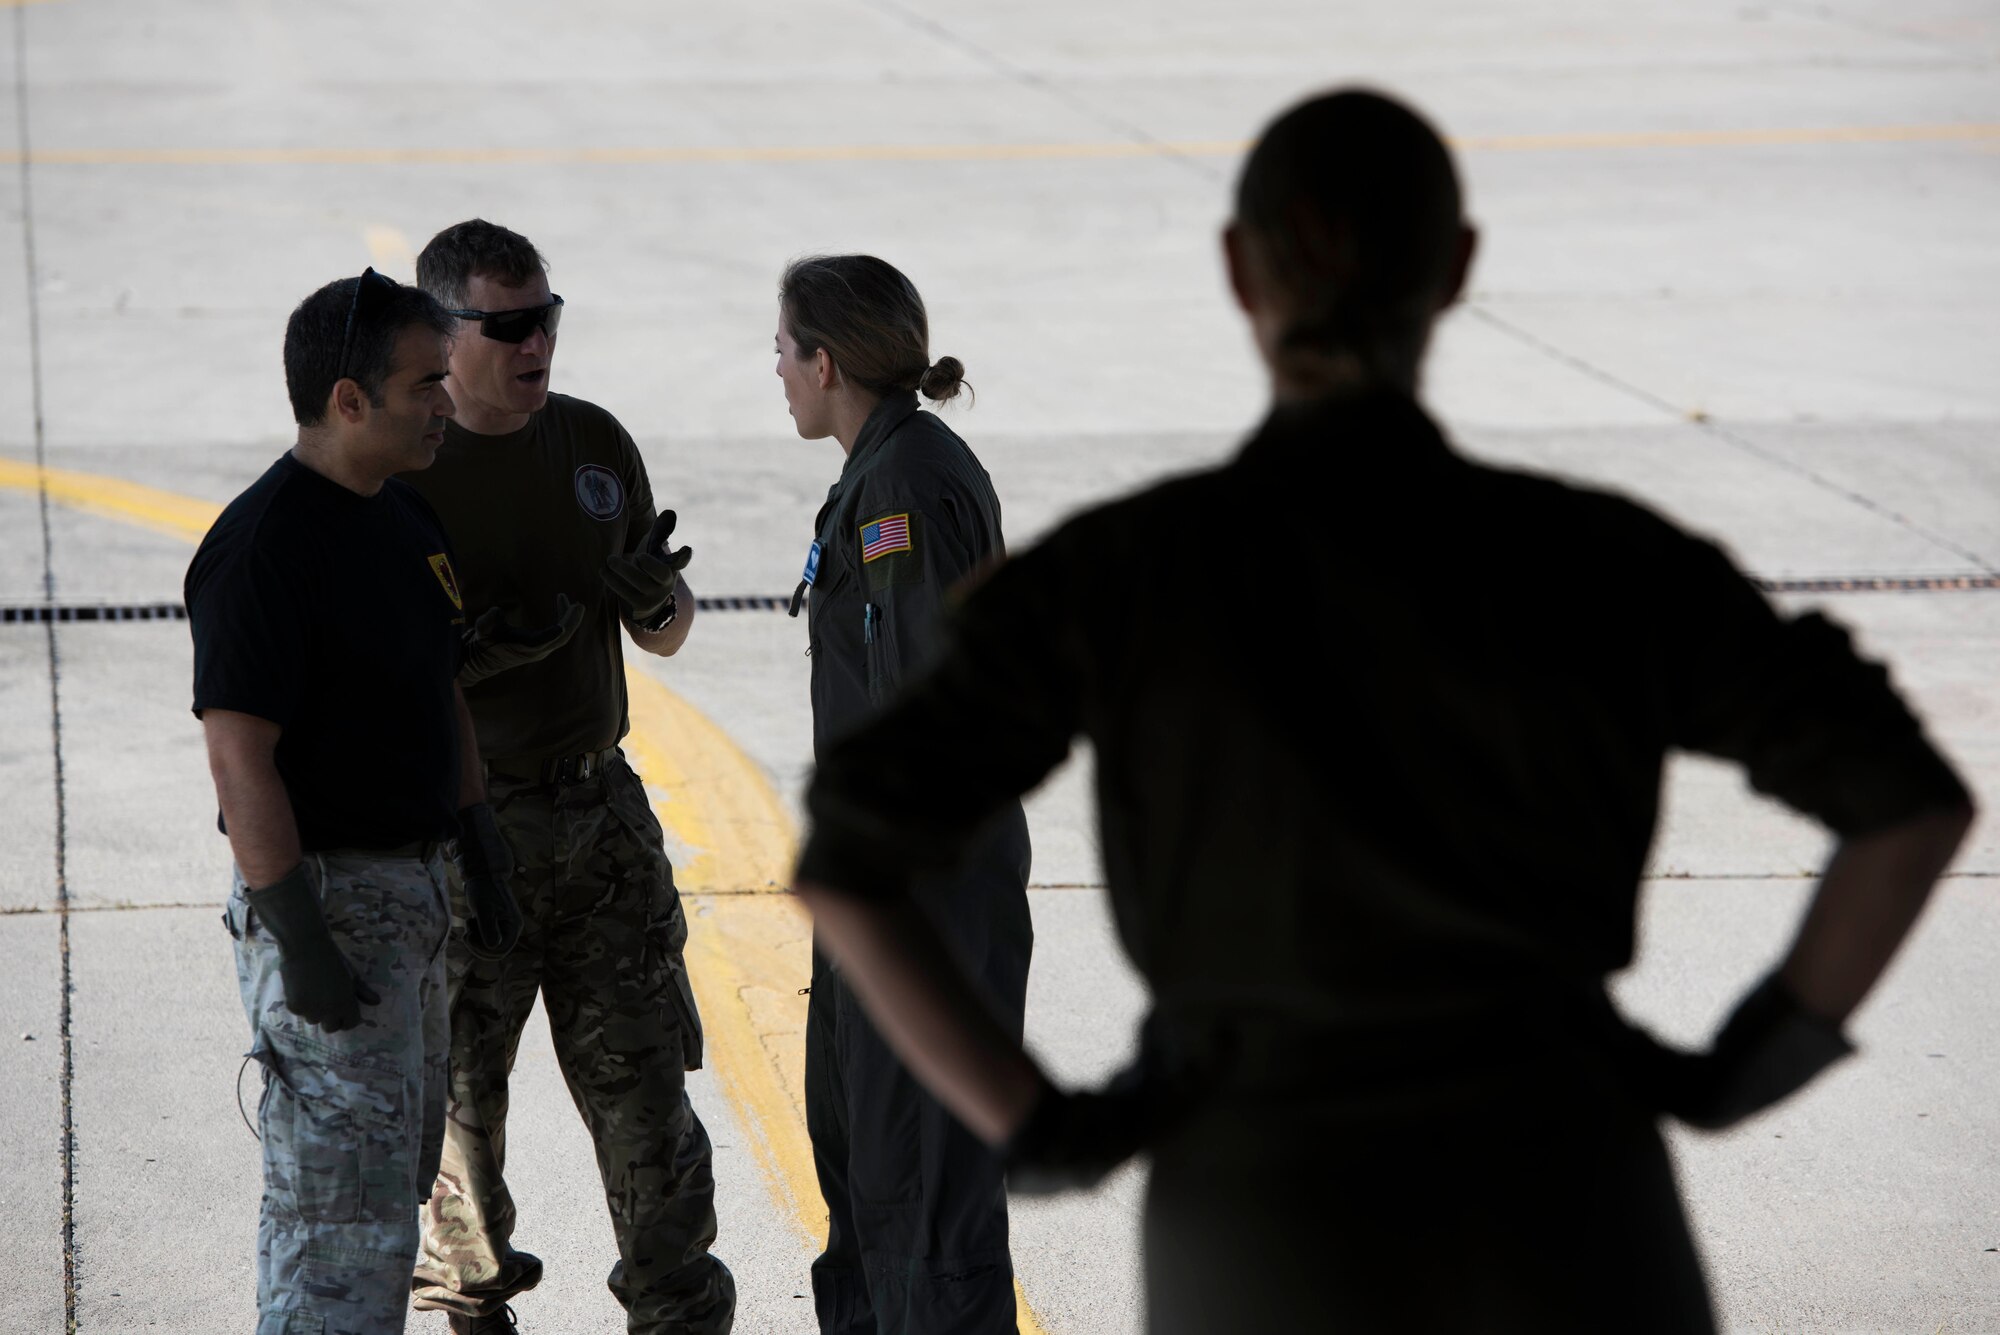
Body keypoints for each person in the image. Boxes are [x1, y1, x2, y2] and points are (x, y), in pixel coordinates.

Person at [789, 90, 1976, 1332]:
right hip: (1569, 1188)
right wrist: (1737, 1071)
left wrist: (1051, 1127)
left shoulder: (1128, 571)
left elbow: (856, 853)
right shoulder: (1601, 558)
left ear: (1241, 275)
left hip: (1259, 1204)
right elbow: (1905, 804)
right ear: (1454, 269)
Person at [402, 219, 733, 1335]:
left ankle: (675, 1315)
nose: (537, 339)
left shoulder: (591, 442)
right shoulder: (408, 464)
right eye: (509, 324)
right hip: (462, 843)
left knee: (653, 1120)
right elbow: (369, 675)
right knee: (457, 1133)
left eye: (547, 315)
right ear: (445, 335)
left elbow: (670, 627)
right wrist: (488, 645)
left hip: (599, 826)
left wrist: (656, 605)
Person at [190, 269, 524, 1335]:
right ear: (347, 400)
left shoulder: (406, 518)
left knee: (390, 1187)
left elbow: (443, 693)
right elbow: (241, 763)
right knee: (338, 1223)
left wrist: (481, 850)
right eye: (426, 383)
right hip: (332, 906)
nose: (446, 402)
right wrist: (299, 939)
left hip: (416, 904)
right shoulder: (262, 549)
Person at [777, 254, 1032, 1335]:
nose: (777, 372)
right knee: (867, 1177)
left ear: (825, 362)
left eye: (783, 351)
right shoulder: (882, 471)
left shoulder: (905, 489)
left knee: (921, 1200)